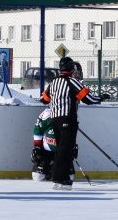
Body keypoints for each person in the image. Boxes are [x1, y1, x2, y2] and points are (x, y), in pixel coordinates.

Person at [40, 56, 109, 190]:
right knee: (66, 150)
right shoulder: (73, 81)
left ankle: (59, 179)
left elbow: (44, 99)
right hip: (68, 119)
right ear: (72, 68)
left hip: (55, 120)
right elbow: (88, 99)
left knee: (61, 149)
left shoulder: (53, 82)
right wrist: (102, 97)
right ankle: (61, 179)